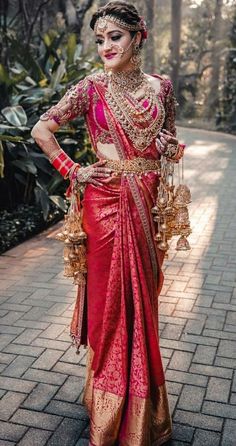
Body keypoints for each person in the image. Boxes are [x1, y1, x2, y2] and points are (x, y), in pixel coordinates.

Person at [31, 2, 185, 444]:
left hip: (146, 208)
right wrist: (73, 170)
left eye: (114, 36)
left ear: (139, 36)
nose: (105, 47)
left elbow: (170, 145)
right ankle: (107, 406)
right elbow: (42, 130)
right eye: (99, 39)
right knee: (110, 306)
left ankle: (144, 412)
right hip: (104, 205)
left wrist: (167, 147)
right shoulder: (92, 87)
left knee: (145, 304)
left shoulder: (161, 87)